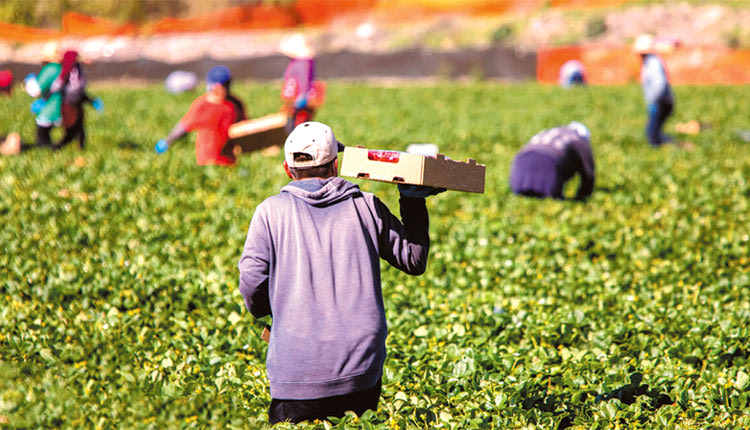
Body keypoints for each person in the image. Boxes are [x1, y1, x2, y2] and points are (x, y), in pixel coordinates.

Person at [238, 121, 444, 424]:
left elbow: (252, 283)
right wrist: (412, 200)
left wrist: (276, 315)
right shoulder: (367, 206)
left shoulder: (269, 212)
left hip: (295, 375)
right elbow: (413, 259)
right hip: (360, 373)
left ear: (287, 169)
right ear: (335, 165)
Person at [155, 65, 239, 166]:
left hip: (230, 162)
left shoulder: (235, 104)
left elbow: (244, 126)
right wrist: (167, 141)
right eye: (225, 85)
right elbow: (183, 128)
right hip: (207, 163)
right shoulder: (202, 106)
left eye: (228, 84)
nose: (227, 88)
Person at [509, 121, 595, 202]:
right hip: (548, 164)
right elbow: (588, 172)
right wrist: (583, 197)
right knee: (549, 202)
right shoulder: (578, 139)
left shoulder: (548, 132)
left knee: (522, 199)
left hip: (519, 165)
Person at [54, 50, 103, 151]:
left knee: (80, 129)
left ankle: (81, 148)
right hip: (69, 104)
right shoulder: (65, 71)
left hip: (77, 102)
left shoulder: (78, 69)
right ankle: (56, 148)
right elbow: (58, 87)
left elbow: (80, 89)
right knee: (71, 130)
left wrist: (91, 100)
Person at [633, 34, 674, 147]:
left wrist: (654, 100)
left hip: (660, 101)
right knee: (653, 132)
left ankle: (667, 146)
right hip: (659, 100)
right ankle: (665, 144)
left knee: (652, 135)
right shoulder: (649, 61)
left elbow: (659, 83)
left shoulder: (653, 62)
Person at [279, 33, 320, 134]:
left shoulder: (303, 63)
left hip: (300, 103)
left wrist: (301, 100)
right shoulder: (299, 62)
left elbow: (304, 81)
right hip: (295, 101)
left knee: (297, 129)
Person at [26, 42, 63, 149]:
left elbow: (35, 90)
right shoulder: (62, 68)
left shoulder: (50, 69)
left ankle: (46, 147)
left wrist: (30, 81)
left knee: (42, 139)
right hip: (63, 108)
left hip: (50, 110)